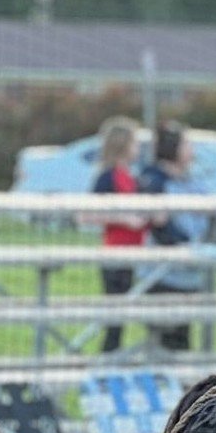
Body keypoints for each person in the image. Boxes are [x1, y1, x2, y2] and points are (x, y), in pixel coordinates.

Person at [137, 122, 204, 353]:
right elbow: (161, 225)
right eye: (186, 144)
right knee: (165, 343)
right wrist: (184, 244)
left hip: (189, 274)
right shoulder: (155, 180)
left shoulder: (191, 180)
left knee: (183, 340)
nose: (191, 149)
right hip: (162, 274)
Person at [92, 118, 146, 356]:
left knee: (121, 319)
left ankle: (115, 362)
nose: (138, 148)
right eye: (134, 143)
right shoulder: (108, 176)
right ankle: (106, 364)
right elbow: (87, 214)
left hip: (132, 253)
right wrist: (124, 218)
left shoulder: (129, 176)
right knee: (114, 320)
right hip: (115, 252)